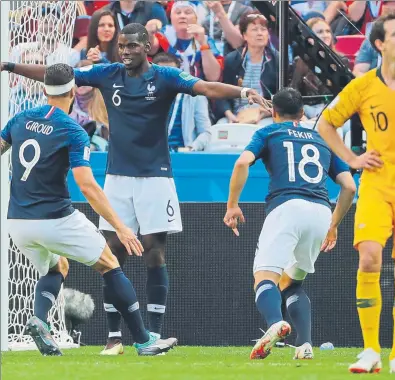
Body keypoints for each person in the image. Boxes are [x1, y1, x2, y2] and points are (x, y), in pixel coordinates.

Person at [1, 22, 265, 356]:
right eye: (121, 46)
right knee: (114, 254)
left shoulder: (167, 77)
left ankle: (152, 333)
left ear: (149, 46)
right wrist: (10, 65)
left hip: (157, 178)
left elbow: (207, 87)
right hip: (117, 179)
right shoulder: (107, 73)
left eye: (132, 46)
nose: (124, 51)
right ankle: (114, 338)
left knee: (154, 253)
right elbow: (59, 75)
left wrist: (242, 92)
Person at [0, 63, 176, 357]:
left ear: (44, 90)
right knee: (109, 264)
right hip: (55, 218)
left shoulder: (19, 118)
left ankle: (39, 320)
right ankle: (145, 341)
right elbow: (87, 185)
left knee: (58, 266)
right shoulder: (73, 130)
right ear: (73, 91)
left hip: (18, 221)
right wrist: (119, 225)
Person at [317, 14, 395, 375]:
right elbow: (325, 123)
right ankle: (370, 350)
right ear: (378, 44)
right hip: (376, 186)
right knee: (369, 258)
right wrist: (351, 158)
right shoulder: (362, 87)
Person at [223, 88, 356, 360]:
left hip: (286, 207)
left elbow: (242, 163)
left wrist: (232, 205)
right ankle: (305, 344)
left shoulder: (268, 132)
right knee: (292, 283)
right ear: (302, 113)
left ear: (273, 113)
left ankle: (274, 322)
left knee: (264, 277)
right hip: (321, 211)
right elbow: (350, 187)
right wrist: (333, 225)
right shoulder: (321, 138)